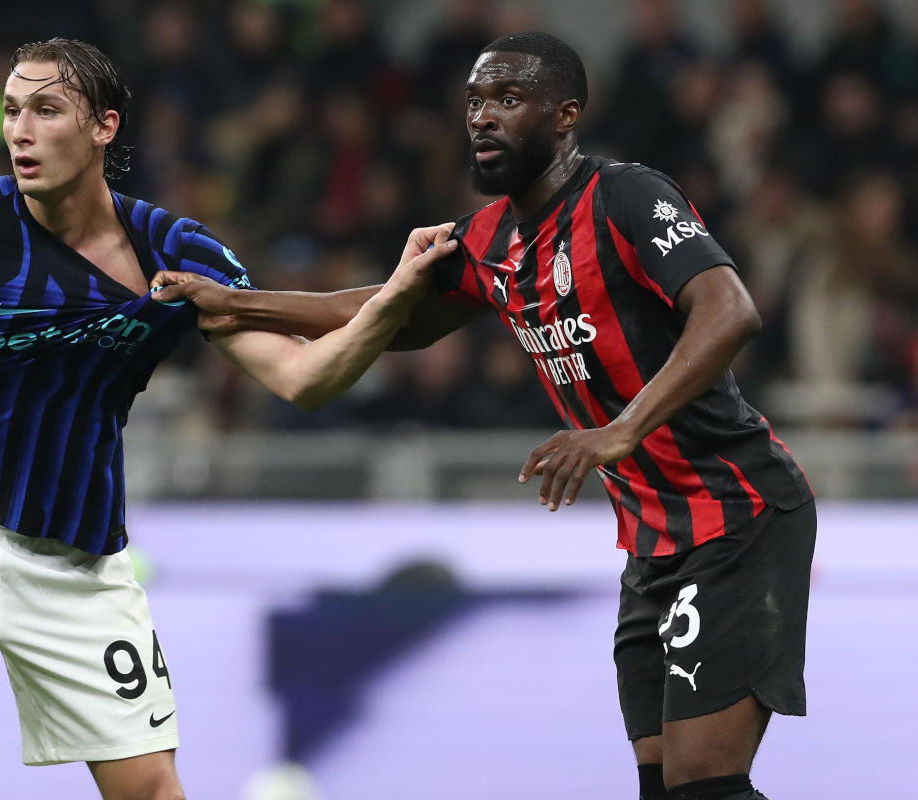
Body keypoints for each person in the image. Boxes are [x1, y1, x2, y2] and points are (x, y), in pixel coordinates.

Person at [0, 38, 455, 800]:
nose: (19, 131)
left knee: (151, 790)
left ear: (103, 126)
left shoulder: (174, 253)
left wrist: (393, 297)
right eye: (10, 111)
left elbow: (304, 379)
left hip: (77, 565)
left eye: (45, 109)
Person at [151, 31, 816, 800]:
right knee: (665, 788)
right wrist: (234, 300)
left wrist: (621, 429)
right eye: (474, 101)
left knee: (705, 783)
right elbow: (378, 312)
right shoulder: (489, 241)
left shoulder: (629, 195)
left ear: (566, 115)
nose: (483, 117)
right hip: (655, 542)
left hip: (739, 513)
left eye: (507, 99)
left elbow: (731, 311)